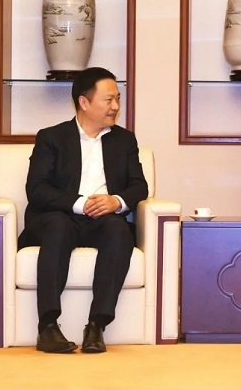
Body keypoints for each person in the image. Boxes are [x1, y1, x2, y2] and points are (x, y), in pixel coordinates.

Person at [18, 67, 148, 354]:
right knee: (58, 226)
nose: (116, 106)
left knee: (118, 229)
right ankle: (47, 327)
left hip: (102, 219)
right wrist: (78, 203)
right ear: (84, 102)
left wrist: (116, 201)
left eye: (118, 99)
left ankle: (96, 326)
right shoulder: (52, 138)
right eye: (108, 99)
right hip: (58, 217)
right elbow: (37, 188)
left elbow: (139, 186)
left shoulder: (124, 140)